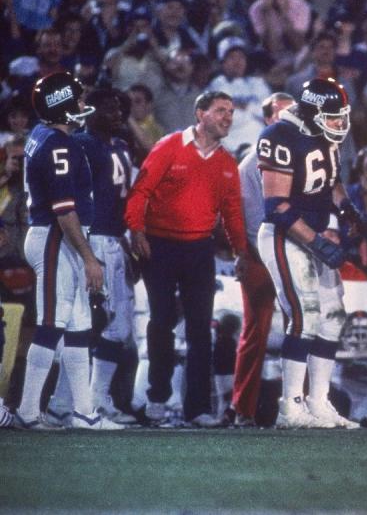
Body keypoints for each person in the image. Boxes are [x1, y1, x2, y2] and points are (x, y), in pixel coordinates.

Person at [125, 91, 250, 428]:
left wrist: (241, 253)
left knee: (200, 332)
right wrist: (136, 232)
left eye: (231, 111)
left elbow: (233, 214)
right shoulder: (169, 145)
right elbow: (141, 191)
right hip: (160, 247)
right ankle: (157, 398)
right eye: (220, 110)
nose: (227, 117)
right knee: (162, 323)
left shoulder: (226, 164)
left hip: (198, 251)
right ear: (200, 113)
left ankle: (196, 409)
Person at [257, 78, 361, 429]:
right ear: (312, 111)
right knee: (305, 317)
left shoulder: (321, 135)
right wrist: (317, 243)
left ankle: (319, 402)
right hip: (285, 235)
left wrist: (346, 209)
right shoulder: (278, 136)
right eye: (332, 117)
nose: (338, 124)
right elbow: (277, 207)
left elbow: (330, 180)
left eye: (341, 116)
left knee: (333, 318)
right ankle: (291, 405)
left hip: (314, 230)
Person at [14, 72, 115, 430]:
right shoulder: (60, 145)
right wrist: (89, 257)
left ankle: (84, 413)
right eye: (78, 98)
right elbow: (64, 210)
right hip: (58, 237)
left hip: (54, 235)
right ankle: (27, 412)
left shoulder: (43, 135)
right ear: (63, 105)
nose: (83, 103)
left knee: (77, 325)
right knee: (50, 324)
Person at [46, 90, 137, 426]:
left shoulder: (121, 145)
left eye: (120, 108)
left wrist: (129, 235)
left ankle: (96, 399)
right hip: (92, 236)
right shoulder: (82, 144)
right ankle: (63, 402)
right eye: (109, 107)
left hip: (115, 239)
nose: (117, 113)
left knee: (118, 326)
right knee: (90, 320)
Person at [226, 91, 294, 427]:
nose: (287, 118)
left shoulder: (300, 153)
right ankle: (243, 409)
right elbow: (251, 219)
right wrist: (262, 255)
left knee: (302, 329)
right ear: (267, 119)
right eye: (280, 113)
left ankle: (299, 405)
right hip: (261, 255)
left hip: (293, 252)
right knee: (256, 332)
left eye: (292, 112)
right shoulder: (252, 161)